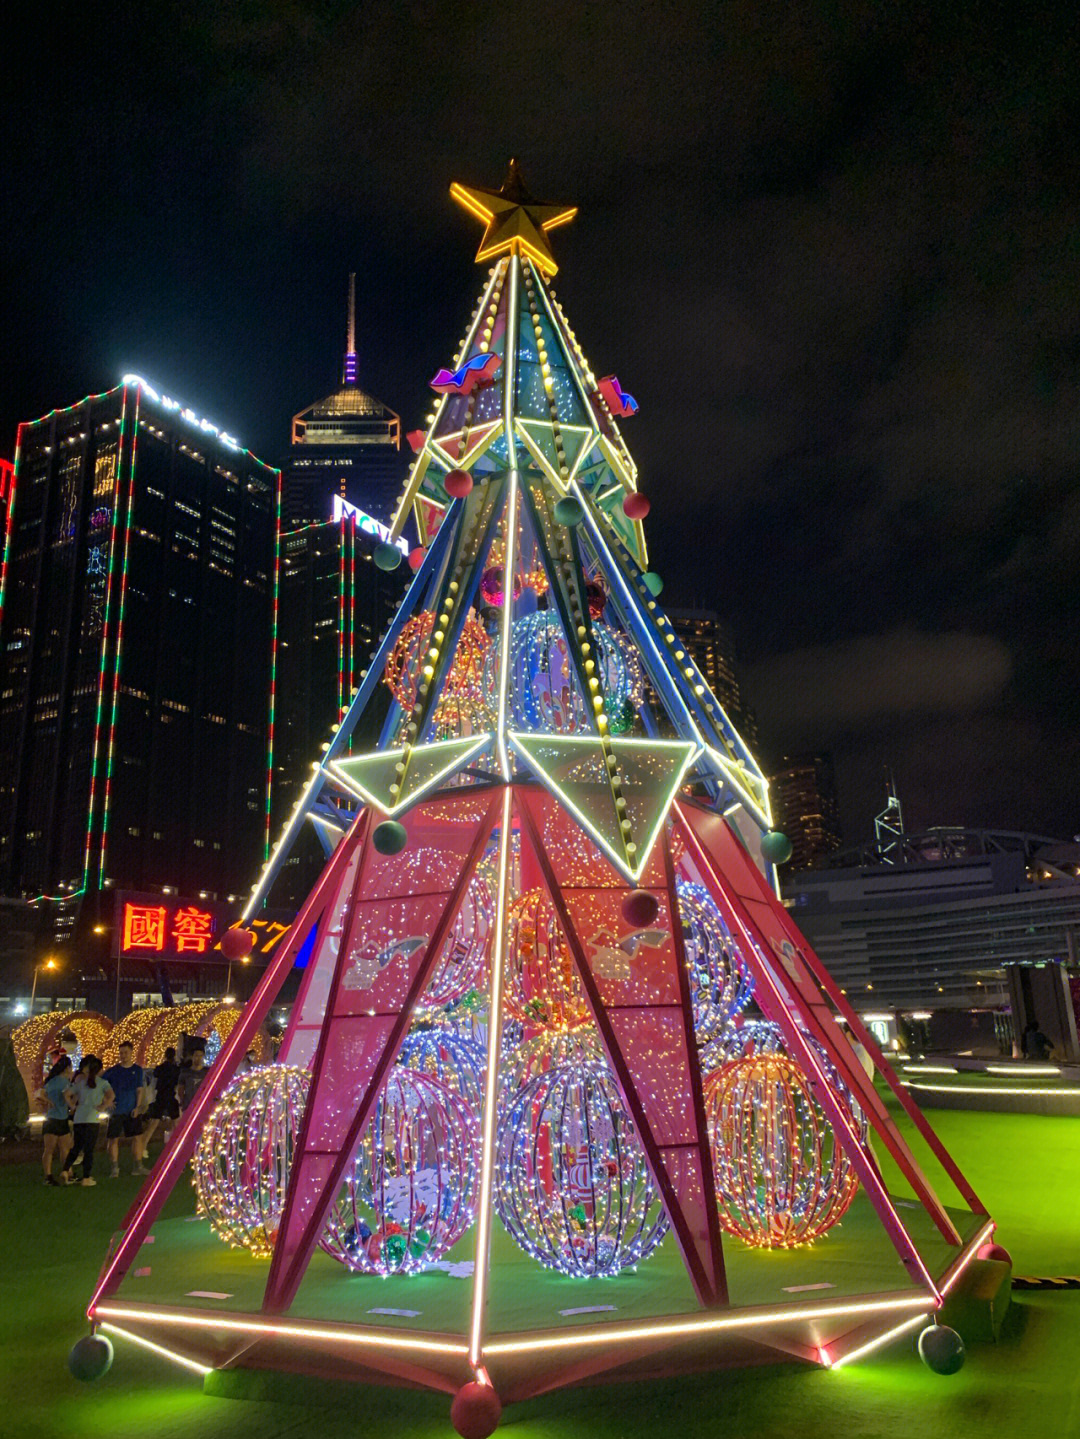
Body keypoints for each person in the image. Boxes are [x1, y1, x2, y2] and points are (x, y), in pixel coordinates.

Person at [62, 1056, 113, 1186]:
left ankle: (65, 1169)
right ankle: (86, 1177)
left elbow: (66, 1094)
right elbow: (111, 1095)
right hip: (92, 1118)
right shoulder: (102, 1083)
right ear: (99, 1070)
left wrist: (72, 1106)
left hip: (79, 1118)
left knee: (76, 1146)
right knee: (89, 1150)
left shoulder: (80, 1084)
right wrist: (103, 1106)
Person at [102, 1040, 146, 1177]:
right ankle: (115, 1167)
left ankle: (138, 1166)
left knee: (137, 1137)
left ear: (131, 1052)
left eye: (126, 1052)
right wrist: (106, 1101)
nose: (123, 1055)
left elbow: (139, 1090)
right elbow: (100, 1086)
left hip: (131, 1110)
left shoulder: (137, 1070)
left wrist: (138, 1107)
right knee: (113, 1139)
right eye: (121, 1053)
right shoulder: (112, 1071)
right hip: (116, 1111)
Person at [134, 1046, 180, 1171]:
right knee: (176, 1124)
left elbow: (155, 1075)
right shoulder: (176, 1069)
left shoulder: (161, 1068)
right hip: (170, 1096)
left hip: (160, 1097)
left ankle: (143, 1147)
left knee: (154, 1123)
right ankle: (178, 1148)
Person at [36, 1054, 73, 1185]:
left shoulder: (51, 1081)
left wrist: (48, 1101)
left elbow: (39, 1094)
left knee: (49, 1150)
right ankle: (67, 1172)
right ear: (67, 1068)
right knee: (64, 1148)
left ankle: (48, 1176)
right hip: (61, 1118)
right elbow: (68, 1097)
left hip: (51, 1118)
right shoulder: (66, 1082)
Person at [178, 1046, 207, 1112]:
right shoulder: (185, 1073)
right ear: (192, 1057)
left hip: (203, 1106)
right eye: (196, 1055)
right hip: (188, 1105)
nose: (199, 1058)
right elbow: (181, 1090)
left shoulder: (207, 1072)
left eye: (201, 1056)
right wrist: (183, 1101)